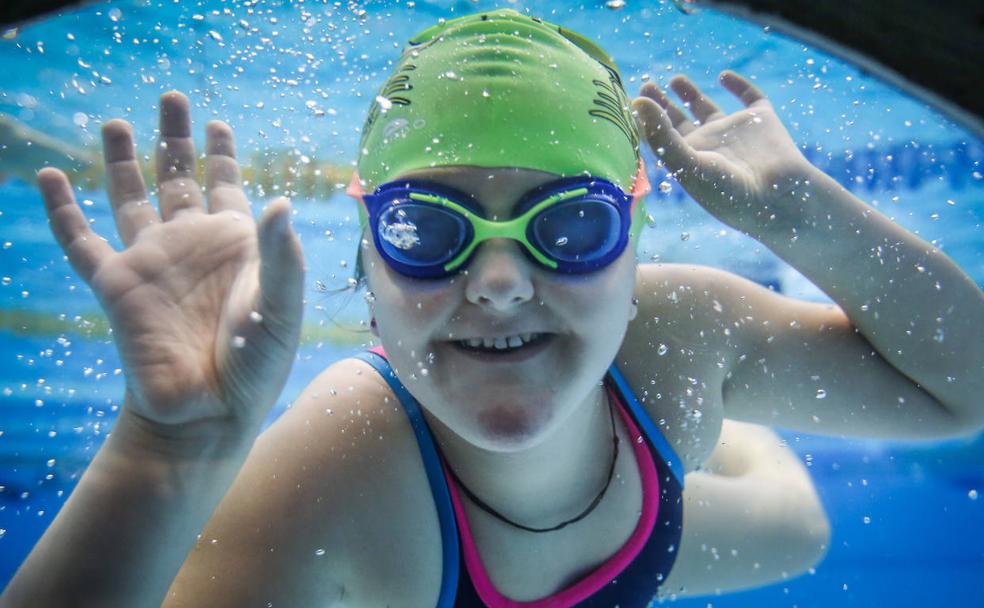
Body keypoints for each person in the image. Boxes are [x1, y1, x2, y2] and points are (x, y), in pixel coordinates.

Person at [3, 9, 982, 607]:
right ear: (367, 274)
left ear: (635, 257)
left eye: (571, 226)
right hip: (517, 555)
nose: (502, 280)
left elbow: (962, 393)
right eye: (430, 231)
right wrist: (168, 451)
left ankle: (727, 421)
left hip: (636, 505)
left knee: (803, 526)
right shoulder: (340, 477)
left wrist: (810, 216)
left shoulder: (677, 332)